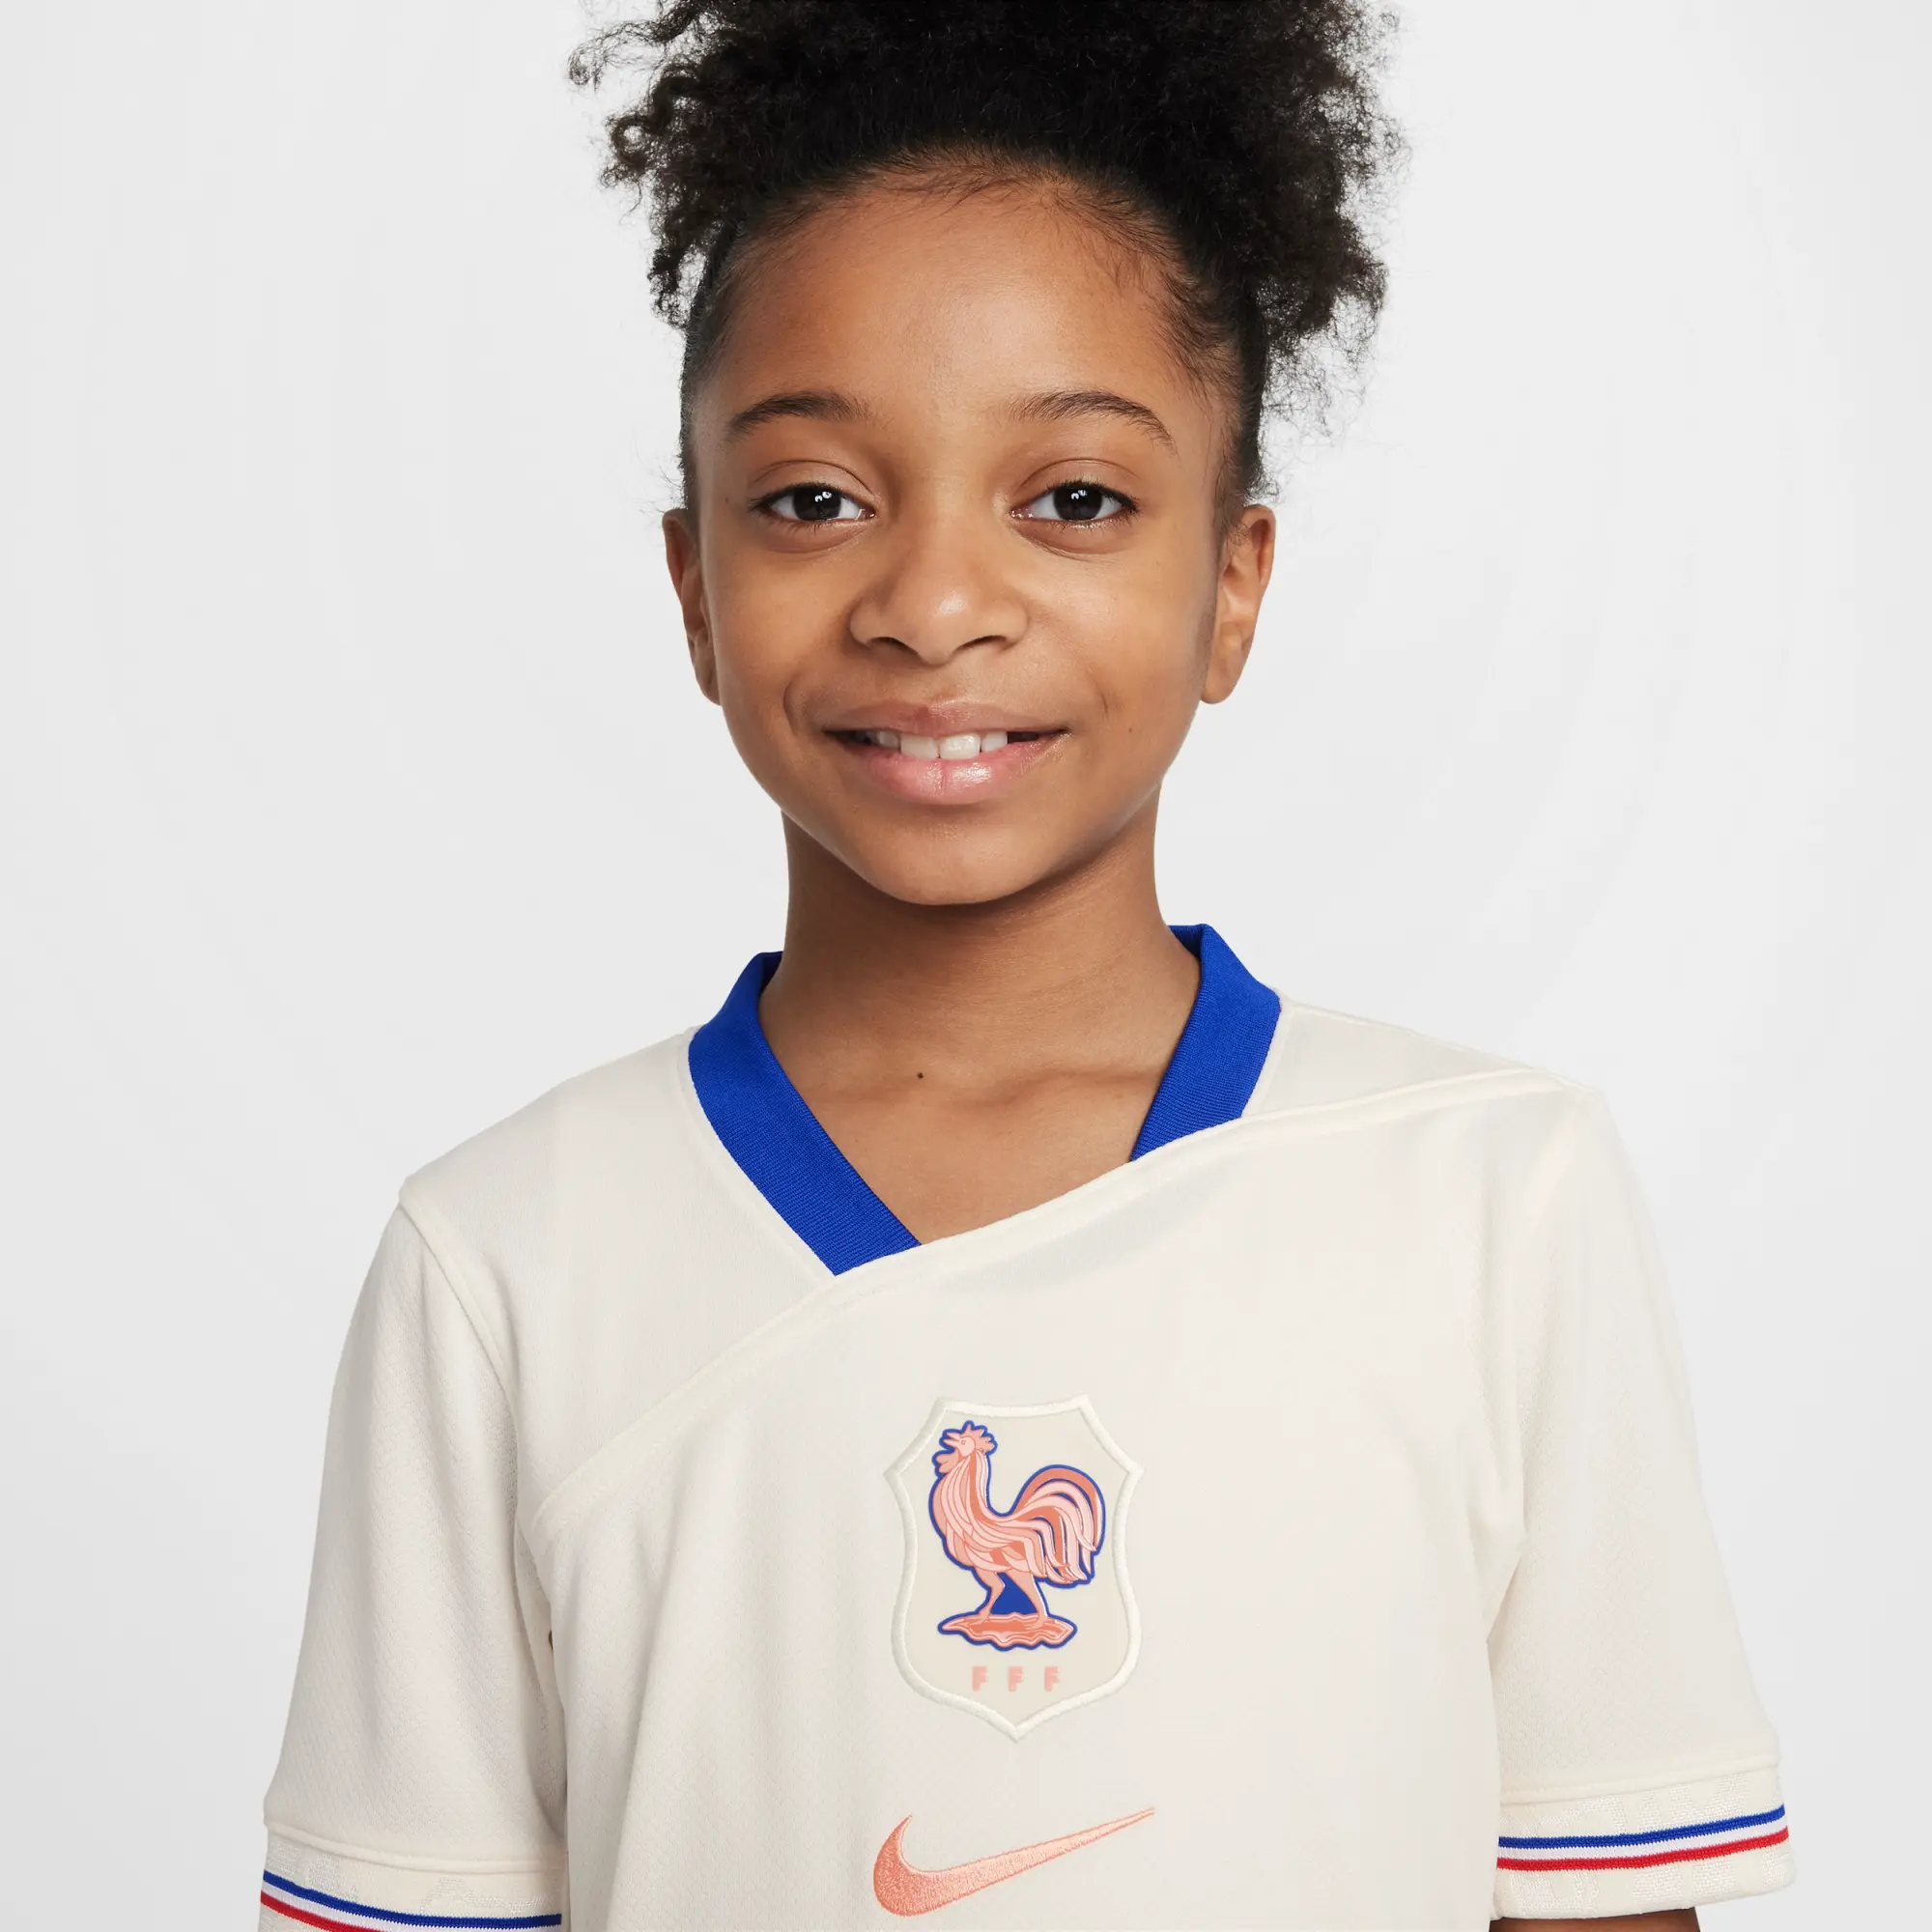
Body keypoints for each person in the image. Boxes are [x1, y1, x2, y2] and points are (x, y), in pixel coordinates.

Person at [256, 5, 1793, 1928]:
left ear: (1232, 584)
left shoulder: (1490, 1193)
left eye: (1072, 499)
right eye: (815, 499)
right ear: (694, 588)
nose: (932, 606)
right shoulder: (505, 1259)